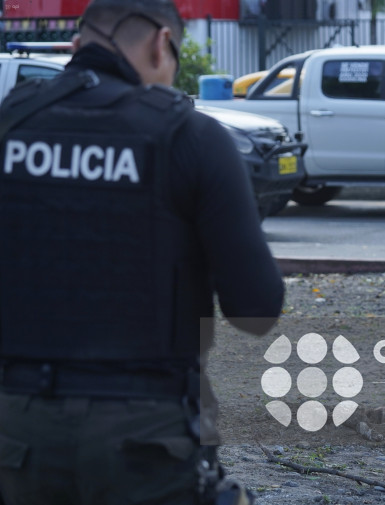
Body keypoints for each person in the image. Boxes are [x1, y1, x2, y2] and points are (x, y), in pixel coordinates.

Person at [0, 0, 285, 503]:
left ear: (76, 45)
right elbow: (256, 310)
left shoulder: (10, 124)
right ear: (161, 44)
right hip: (148, 435)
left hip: (17, 428)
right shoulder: (189, 135)